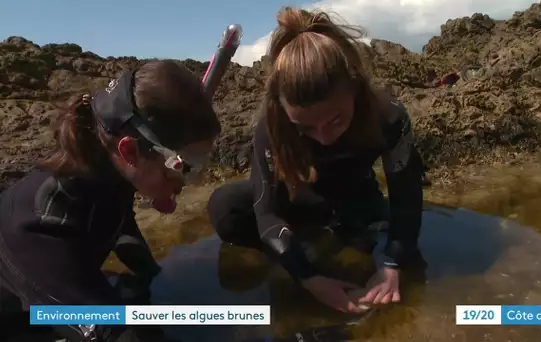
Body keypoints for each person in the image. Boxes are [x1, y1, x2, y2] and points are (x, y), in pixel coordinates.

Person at [207, 7, 427, 315]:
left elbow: (407, 195)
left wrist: (392, 264)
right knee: (224, 206)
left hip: (356, 196)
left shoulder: (388, 116)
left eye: (336, 120)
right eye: (305, 127)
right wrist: (308, 277)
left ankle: (349, 229)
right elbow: (266, 214)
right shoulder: (272, 125)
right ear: (282, 109)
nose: (324, 137)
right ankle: (307, 240)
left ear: (355, 89)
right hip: (299, 195)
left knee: (406, 250)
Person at [0, 60, 221, 341]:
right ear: (129, 151)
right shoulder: (41, 226)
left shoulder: (109, 164)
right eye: (184, 167)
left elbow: (119, 222)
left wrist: (156, 275)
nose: (184, 184)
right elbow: (116, 333)